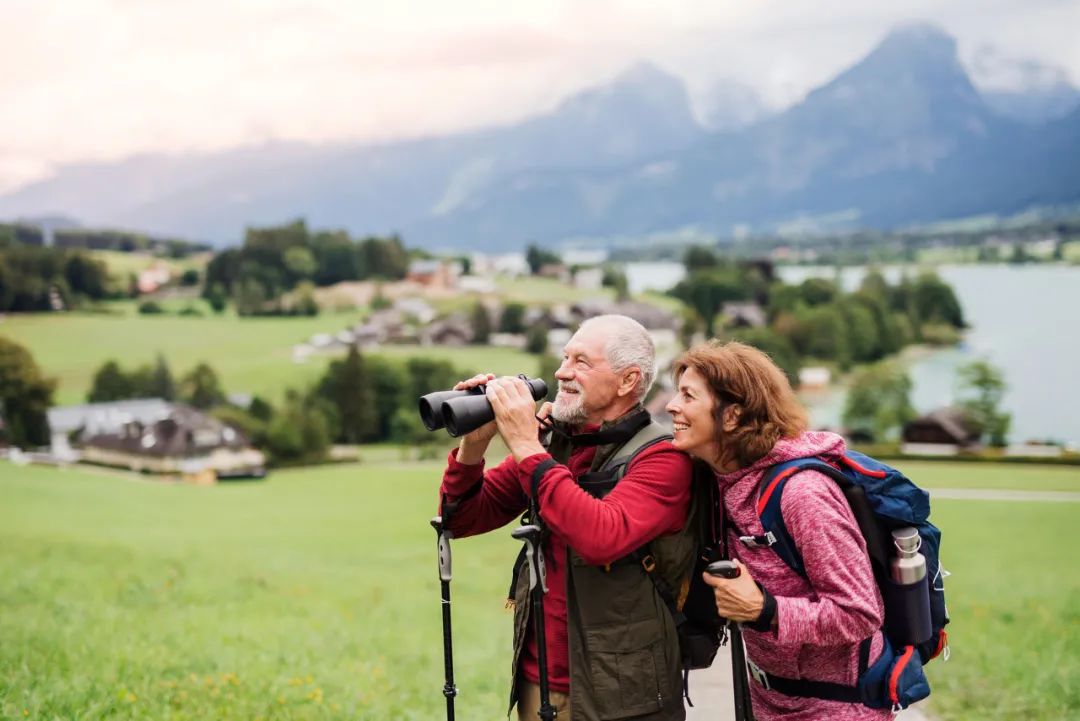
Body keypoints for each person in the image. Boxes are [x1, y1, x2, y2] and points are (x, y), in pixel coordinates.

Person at [438, 314, 696, 721]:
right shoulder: (555, 445)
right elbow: (461, 519)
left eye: (581, 362)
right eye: (564, 358)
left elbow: (600, 537)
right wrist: (476, 443)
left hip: (623, 695)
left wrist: (525, 442)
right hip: (538, 681)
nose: (561, 372)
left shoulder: (662, 459)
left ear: (628, 381)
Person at [664, 341, 892, 721]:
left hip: (836, 708)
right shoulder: (722, 480)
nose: (672, 405)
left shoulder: (803, 495)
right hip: (768, 699)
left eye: (688, 396)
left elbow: (860, 612)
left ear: (733, 415)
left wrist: (765, 610)